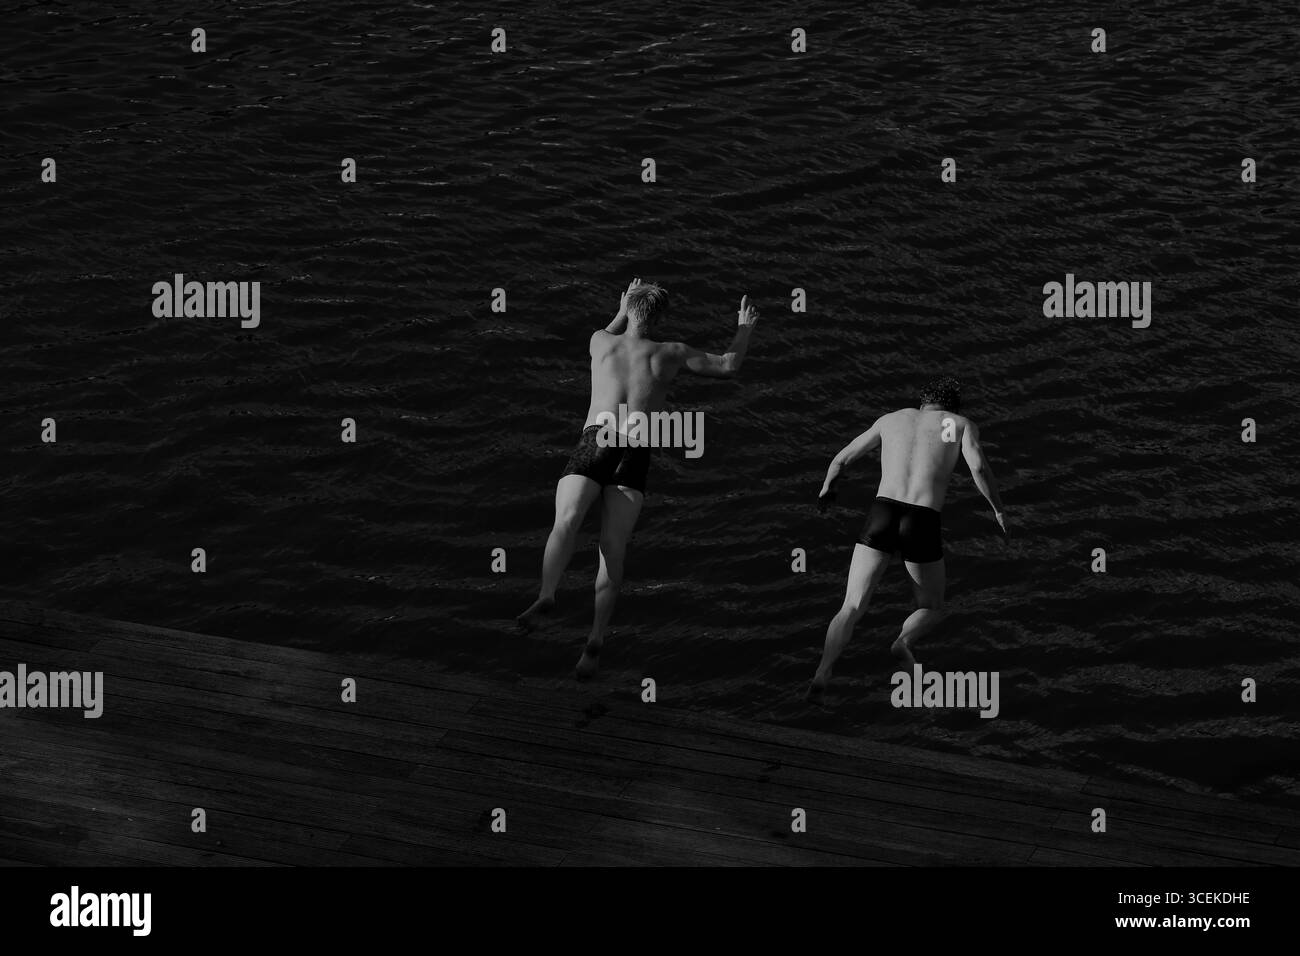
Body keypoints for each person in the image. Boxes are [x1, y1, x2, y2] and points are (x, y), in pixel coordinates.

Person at [517, 278, 761, 679]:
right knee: (612, 550)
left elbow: (613, 329)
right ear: (660, 317)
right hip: (635, 451)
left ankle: (547, 593)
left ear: (629, 311)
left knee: (566, 522)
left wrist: (620, 308)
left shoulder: (601, 342)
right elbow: (728, 365)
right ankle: (595, 639)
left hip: (597, 439)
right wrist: (744, 328)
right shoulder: (670, 353)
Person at [809, 375, 1006, 695]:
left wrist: (827, 487)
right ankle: (903, 642)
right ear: (952, 406)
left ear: (922, 403)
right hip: (922, 519)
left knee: (851, 606)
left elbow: (842, 458)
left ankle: (823, 671)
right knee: (932, 606)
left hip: (882, 513)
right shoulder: (959, 424)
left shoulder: (891, 420)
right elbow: (979, 469)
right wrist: (998, 510)